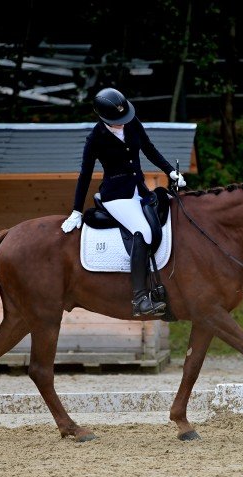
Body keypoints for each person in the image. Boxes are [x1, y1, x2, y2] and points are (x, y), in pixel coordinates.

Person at [61, 87, 186, 316]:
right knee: (143, 231)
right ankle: (140, 299)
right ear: (103, 117)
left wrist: (170, 171)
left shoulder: (131, 121)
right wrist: (76, 210)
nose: (122, 123)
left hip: (139, 190)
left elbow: (148, 148)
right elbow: (85, 175)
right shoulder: (95, 139)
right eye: (117, 121)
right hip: (116, 196)